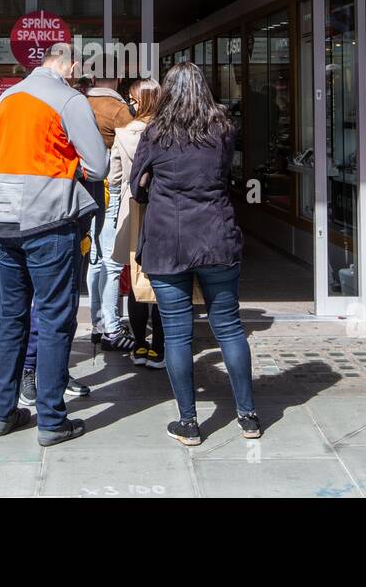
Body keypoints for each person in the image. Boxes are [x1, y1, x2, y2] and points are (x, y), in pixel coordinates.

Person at [130, 62, 259, 446]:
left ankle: (189, 422)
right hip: (217, 235)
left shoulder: (156, 131)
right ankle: (248, 416)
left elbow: (137, 187)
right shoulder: (221, 128)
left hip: (169, 240)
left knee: (177, 333)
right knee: (230, 326)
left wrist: (155, 185)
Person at [0, 42, 108, 446]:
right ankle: (52, 421)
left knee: (12, 317)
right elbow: (99, 165)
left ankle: (2, 411)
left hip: (3, 220)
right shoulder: (69, 99)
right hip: (49, 221)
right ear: (70, 65)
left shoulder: (6, 97)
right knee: (56, 319)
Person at [111, 77, 164, 369]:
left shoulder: (124, 134)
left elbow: (114, 178)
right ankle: (159, 347)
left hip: (133, 212)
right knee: (161, 281)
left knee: (135, 281)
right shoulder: (168, 133)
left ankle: (140, 345)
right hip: (164, 212)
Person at [85, 76, 136, 351]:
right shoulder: (118, 109)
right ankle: (112, 328)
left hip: (87, 187)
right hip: (111, 187)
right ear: (115, 80)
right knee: (112, 261)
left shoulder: (81, 103)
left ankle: (97, 323)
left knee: (95, 259)